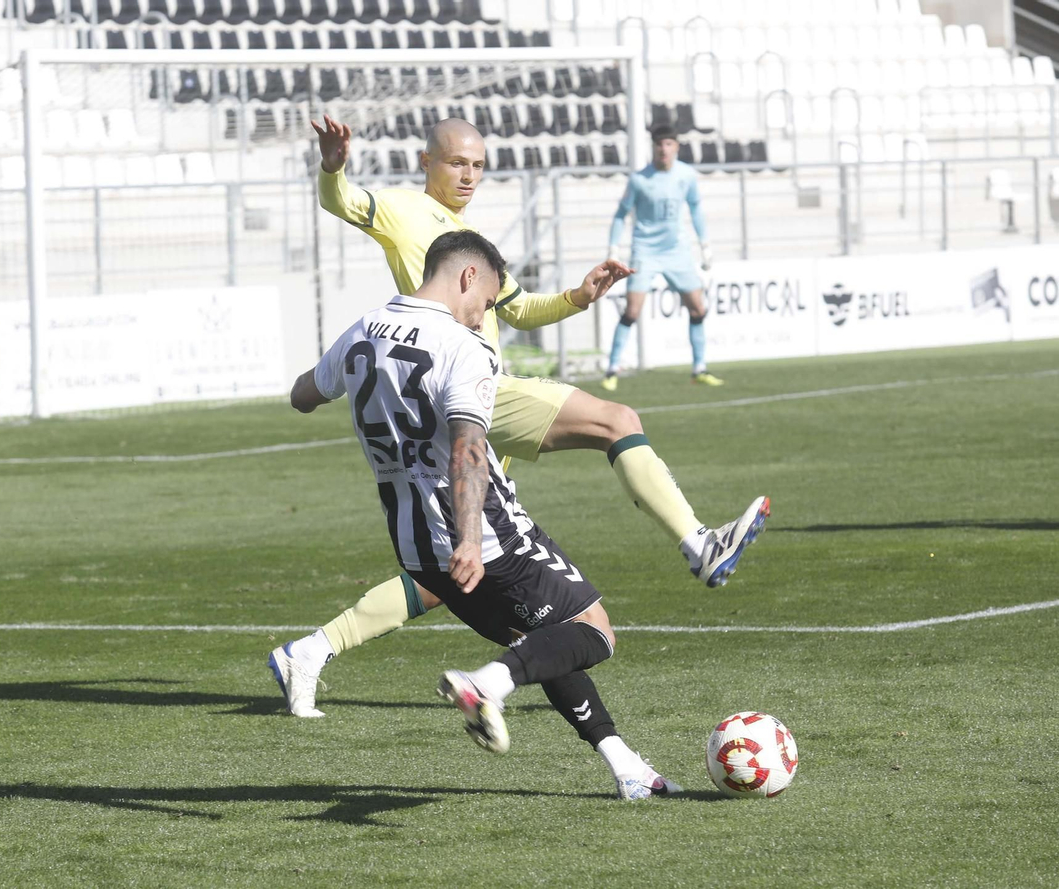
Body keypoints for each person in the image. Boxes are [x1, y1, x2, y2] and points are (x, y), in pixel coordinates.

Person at [268, 114, 769, 719]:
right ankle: (698, 545)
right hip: (463, 384)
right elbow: (342, 201)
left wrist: (577, 298)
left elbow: (520, 309)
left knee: (448, 569)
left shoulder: (466, 234)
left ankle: (311, 651)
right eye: (457, 163)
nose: (469, 175)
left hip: (464, 395)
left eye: (479, 165)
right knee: (614, 419)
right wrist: (333, 163)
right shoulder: (405, 212)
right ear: (427, 163)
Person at [289, 229, 679, 800]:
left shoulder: (360, 333)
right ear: (468, 276)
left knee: (539, 642)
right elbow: (469, 447)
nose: (482, 317)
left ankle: (625, 767)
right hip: (482, 535)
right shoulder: (462, 346)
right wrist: (471, 537)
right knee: (593, 633)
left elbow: (302, 394)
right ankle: (487, 684)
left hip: (415, 547)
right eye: (488, 303)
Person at [603, 126, 720, 389]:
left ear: (676, 146)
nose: (664, 149)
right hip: (645, 250)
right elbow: (621, 214)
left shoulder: (686, 175)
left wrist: (705, 244)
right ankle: (612, 369)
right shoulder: (639, 179)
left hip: (677, 250)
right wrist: (613, 247)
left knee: (698, 307)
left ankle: (699, 368)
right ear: (653, 147)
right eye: (659, 144)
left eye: (669, 144)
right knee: (632, 310)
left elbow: (696, 208)